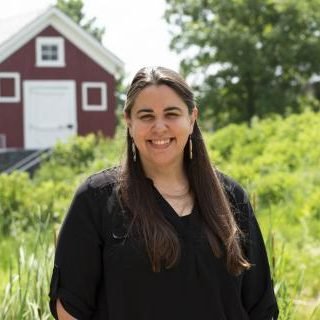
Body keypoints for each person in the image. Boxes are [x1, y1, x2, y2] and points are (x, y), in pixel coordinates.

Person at [49, 66, 279, 319]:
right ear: (129, 121)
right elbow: (70, 308)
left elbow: (260, 305)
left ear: (192, 119)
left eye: (172, 114)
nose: (159, 127)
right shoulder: (96, 200)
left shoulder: (230, 197)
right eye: (146, 116)